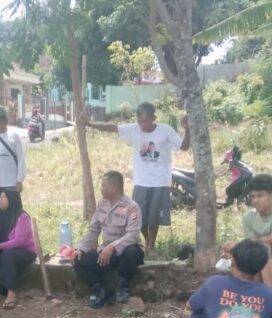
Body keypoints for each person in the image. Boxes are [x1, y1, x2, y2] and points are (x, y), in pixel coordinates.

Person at [81, 102, 190, 258]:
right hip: (141, 181)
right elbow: (112, 128)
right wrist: (90, 124)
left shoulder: (165, 131)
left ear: (154, 118)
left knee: (154, 217)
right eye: (139, 121)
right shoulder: (134, 130)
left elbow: (184, 147)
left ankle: (151, 244)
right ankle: (146, 239)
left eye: (145, 121)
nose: (142, 125)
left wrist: (187, 129)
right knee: (138, 215)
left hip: (160, 181)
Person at [71, 171, 145, 308]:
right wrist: (80, 249)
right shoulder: (102, 204)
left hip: (124, 253)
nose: (101, 188)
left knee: (132, 252)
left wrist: (113, 246)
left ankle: (123, 287)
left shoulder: (132, 207)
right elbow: (93, 230)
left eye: (104, 185)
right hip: (106, 254)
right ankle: (100, 289)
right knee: (77, 259)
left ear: (114, 188)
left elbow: (133, 235)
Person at [0, 189, 37, 309]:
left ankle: (11, 292)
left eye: (4, 197)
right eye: (0, 197)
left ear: (12, 199)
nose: (0, 200)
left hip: (25, 251)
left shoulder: (22, 216)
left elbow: (18, 241)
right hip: (4, 248)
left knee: (7, 256)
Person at [234, 174, 272, 286]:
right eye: (253, 196)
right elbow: (252, 245)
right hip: (256, 255)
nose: (255, 200)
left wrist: (246, 244)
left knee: (264, 249)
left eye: (260, 196)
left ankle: (266, 293)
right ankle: (257, 294)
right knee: (233, 250)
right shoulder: (249, 216)